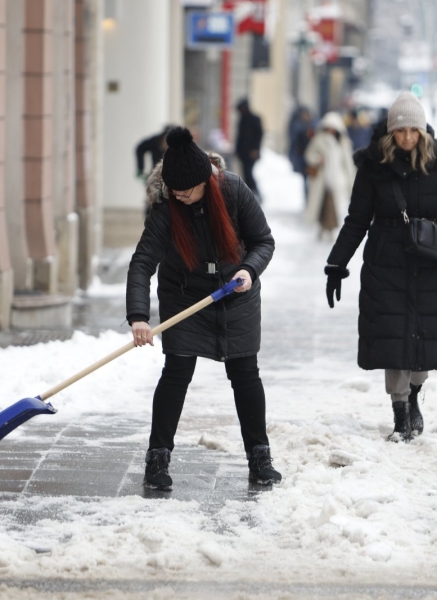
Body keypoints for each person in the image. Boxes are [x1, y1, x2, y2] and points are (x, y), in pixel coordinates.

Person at [324, 92, 437, 443]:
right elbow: (356, 220)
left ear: (423, 131)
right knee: (393, 336)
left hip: (429, 263)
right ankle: (399, 410)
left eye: (414, 131)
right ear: (390, 132)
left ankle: (414, 395)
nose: (408, 138)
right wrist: (336, 264)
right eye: (401, 132)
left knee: (424, 336)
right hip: (386, 262)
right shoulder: (373, 166)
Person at [126, 126, 281, 491]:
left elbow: (263, 240)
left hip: (235, 292)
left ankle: (260, 457)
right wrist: (138, 316)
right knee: (176, 372)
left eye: (187, 190)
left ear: (204, 181)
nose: (180, 196)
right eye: (174, 190)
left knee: (245, 374)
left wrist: (249, 269)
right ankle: (157, 458)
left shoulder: (233, 191)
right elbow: (142, 262)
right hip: (185, 296)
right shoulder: (167, 209)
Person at [303, 111, 355, 239]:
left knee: (334, 207)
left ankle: (331, 230)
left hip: (337, 179)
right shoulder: (319, 139)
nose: (331, 130)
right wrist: (317, 159)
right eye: (328, 127)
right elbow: (309, 155)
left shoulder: (343, 142)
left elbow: (347, 162)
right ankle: (321, 229)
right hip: (321, 180)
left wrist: (351, 179)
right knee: (321, 206)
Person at [235, 98, 263, 198]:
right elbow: (239, 137)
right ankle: (250, 192)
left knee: (248, 173)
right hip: (243, 152)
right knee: (245, 173)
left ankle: (254, 191)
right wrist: (237, 150)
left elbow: (259, 135)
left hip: (251, 152)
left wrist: (256, 149)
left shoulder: (254, 119)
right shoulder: (242, 119)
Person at [288, 106, 315, 196]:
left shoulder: (313, 125)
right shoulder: (297, 126)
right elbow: (294, 142)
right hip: (302, 156)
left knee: (312, 179)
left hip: (312, 157)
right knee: (306, 178)